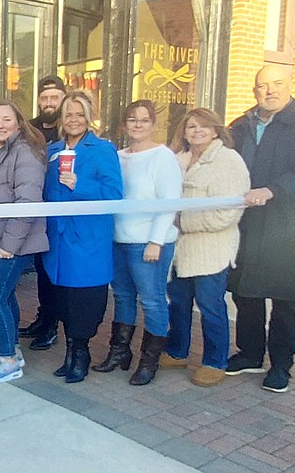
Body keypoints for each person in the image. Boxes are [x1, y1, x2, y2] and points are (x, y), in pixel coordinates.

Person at [225, 65, 295, 393]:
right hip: (247, 220)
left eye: (277, 84)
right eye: (262, 86)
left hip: (287, 224)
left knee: (284, 298)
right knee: (246, 293)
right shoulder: (241, 125)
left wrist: (272, 189)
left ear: (289, 85)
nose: (269, 90)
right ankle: (250, 353)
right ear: (254, 90)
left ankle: (282, 364)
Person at [92, 101, 182, 386]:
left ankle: (149, 361)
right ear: (124, 125)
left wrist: (156, 241)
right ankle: (120, 352)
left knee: (153, 301)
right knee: (122, 297)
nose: (138, 125)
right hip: (119, 239)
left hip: (148, 242)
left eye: (145, 120)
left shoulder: (163, 157)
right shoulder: (117, 156)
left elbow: (169, 203)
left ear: (154, 125)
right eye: (132, 119)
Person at [161, 108, 250, 387]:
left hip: (212, 249)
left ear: (215, 130)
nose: (196, 131)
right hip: (180, 250)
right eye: (190, 127)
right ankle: (177, 351)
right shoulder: (178, 160)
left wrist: (183, 220)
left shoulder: (228, 161)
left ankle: (215, 361)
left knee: (211, 306)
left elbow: (228, 212)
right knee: (178, 303)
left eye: (202, 126)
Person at [40, 90, 123, 384]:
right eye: (68, 114)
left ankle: (81, 353)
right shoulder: (51, 151)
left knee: (84, 299)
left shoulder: (102, 150)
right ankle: (70, 353)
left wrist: (81, 184)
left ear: (89, 117)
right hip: (58, 238)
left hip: (88, 238)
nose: (73, 120)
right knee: (61, 298)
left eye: (79, 114)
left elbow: (115, 195)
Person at [0, 101, 48, 383]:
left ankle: (8, 362)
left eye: (7, 119)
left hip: (9, 244)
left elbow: (28, 202)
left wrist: (9, 245)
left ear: (19, 122)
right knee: (4, 296)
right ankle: (11, 350)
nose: (0, 125)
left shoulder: (25, 153)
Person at [23, 75, 67, 350]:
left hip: (61, 213)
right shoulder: (31, 129)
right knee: (41, 270)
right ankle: (43, 318)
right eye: (44, 98)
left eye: (54, 98)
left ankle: (53, 325)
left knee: (55, 272)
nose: (49, 103)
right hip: (36, 210)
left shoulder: (70, 128)